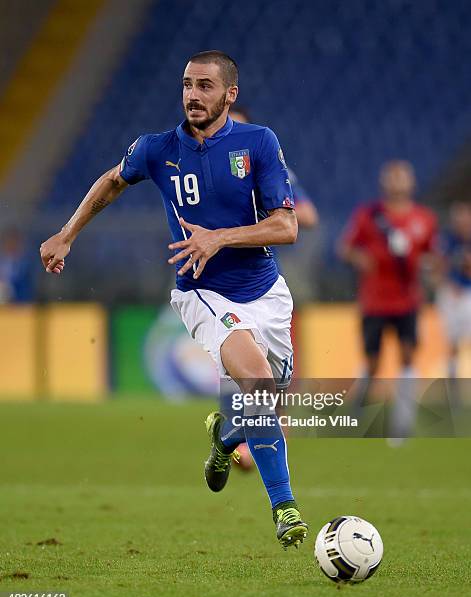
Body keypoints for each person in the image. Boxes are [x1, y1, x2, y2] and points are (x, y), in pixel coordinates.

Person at [39, 50, 308, 549]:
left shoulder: (259, 143)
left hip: (268, 294)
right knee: (259, 385)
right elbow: (111, 181)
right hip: (202, 291)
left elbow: (286, 226)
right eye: (187, 85)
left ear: (231, 95)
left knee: (265, 401)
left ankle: (225, 439)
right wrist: (66, 233)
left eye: (206, 86)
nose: (193, 95)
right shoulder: (156, 149)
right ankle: (285, 508)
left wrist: (219, 236)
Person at [229, 105, 317, 469]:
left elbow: (307, 217)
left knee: (277, 368)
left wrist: (269, 209)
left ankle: (269, 435)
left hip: (262, 283)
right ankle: (249, 441)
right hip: (218, 284)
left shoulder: (268, 166)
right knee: (240, 365)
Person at [338, 160, 437, 438]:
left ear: (411, 182)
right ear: (384, 183)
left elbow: (432, 256)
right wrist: (360, 258)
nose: (397, 182)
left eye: (401, 177)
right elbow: (345, 249)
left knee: (407, 356)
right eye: (392, 177)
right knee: (372, 362)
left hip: (408, 301)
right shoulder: (368, 216)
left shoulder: (424, 219)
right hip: (375, 301)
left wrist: (429, 267)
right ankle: (357, 419)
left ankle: (401, 427)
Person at [437, 201, 471, 379]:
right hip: (451, 295)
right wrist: (448, 283)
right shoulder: (447, 241)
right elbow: (439, 265)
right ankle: (452, 381)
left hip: (468, 294)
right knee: (452, 342)